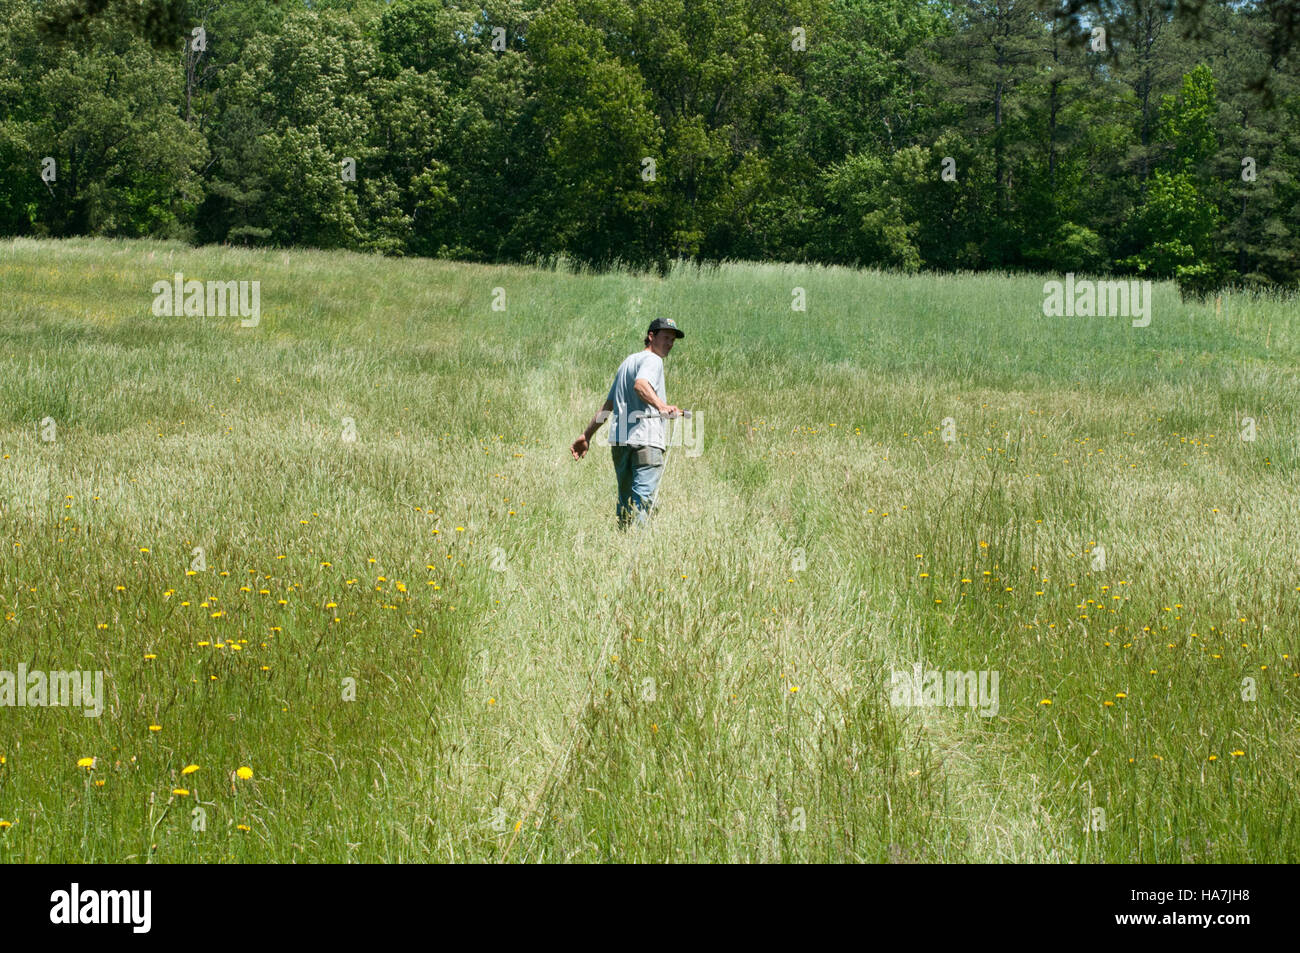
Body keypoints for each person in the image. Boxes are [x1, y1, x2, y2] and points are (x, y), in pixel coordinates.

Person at [571, 317, 684, 528]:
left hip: (621, 443)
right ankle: (638, 550)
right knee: (642, 502)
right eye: (666, 338)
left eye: (673, 340)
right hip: (646, 440)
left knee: (626, 501)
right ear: (651, 336)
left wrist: (586, 435)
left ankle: (623, 539)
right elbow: (640, 385)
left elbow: (608, 406)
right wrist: (661, 406)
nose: (669, 344)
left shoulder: (627, 363)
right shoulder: (653, 360)